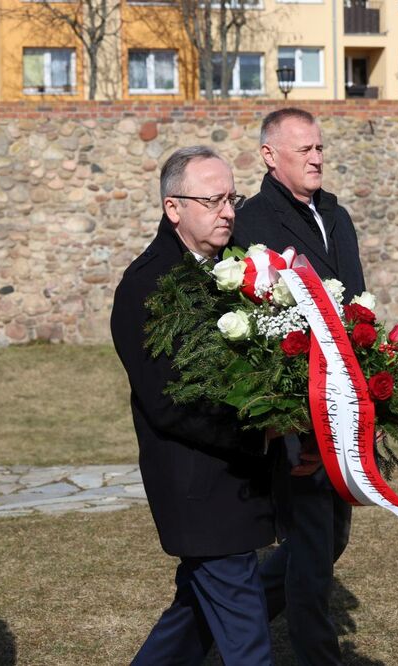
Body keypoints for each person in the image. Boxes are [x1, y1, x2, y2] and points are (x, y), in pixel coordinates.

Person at [111, 146, 275, 665]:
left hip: (243, 480)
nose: (228, 212)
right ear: (174, 208)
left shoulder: (239, 266)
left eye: (233, 199)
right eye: (213, 200)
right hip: (199, 486)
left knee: (195, 616)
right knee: (247, 640)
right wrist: (259, 432)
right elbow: (170, 404)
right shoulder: (147, 286)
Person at [233, 107, 367, 665]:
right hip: (296, 405)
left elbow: (356, 303)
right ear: (270, 155)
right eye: (304, 149)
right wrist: (290, 413)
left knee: (331, 536)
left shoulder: (335, 214)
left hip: (344, 400)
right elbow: (257, 321)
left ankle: (229, 623)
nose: (316, 158)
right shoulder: (252, 223)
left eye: (319, 148)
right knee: (312, 544)